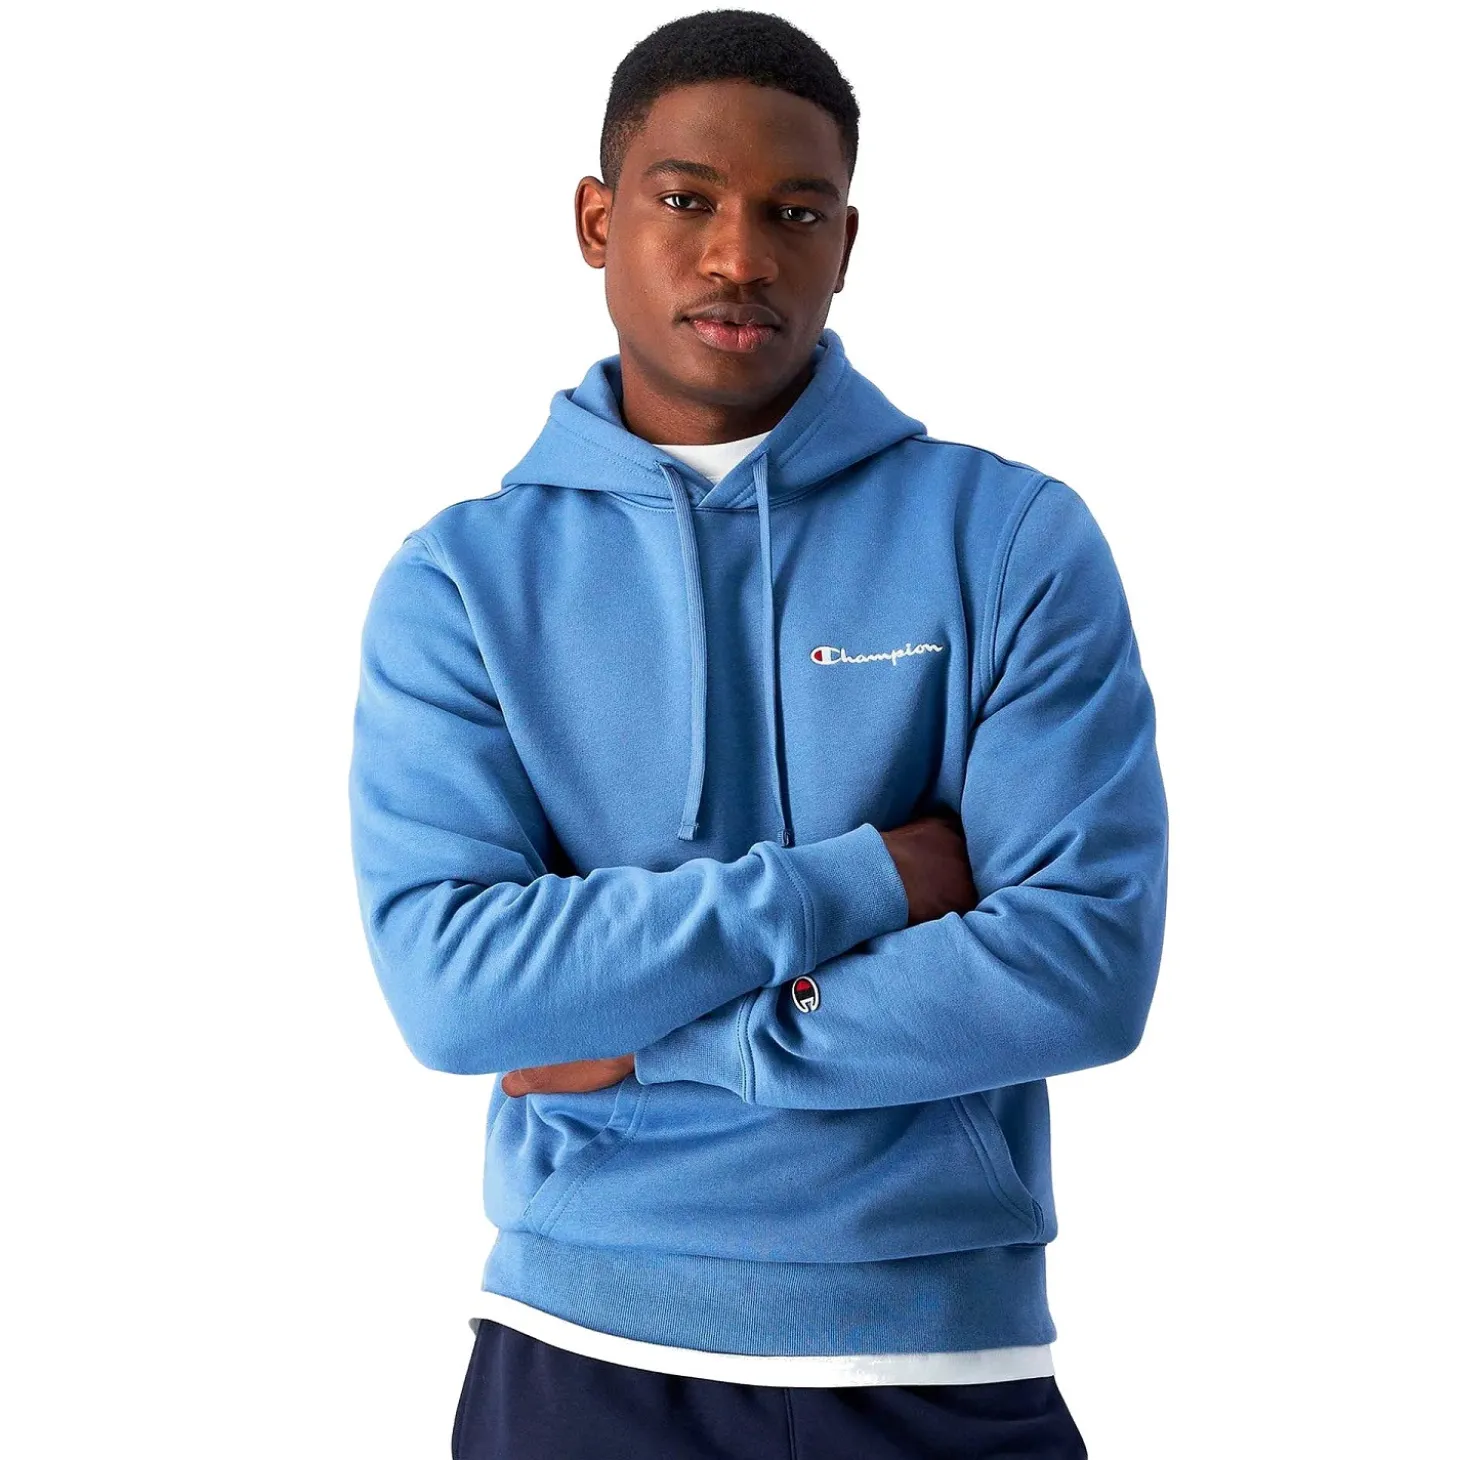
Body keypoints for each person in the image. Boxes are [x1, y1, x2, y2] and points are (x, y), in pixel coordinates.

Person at [347, 9, 1168, 1457]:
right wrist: (877, 878)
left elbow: (1080, 968)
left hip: (942, 1359)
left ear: (846, 243)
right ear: (597, 221)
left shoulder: (1010, 539)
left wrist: (647, 1049)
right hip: (577, 1361)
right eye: (686, 200)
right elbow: (461, 996)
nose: (740, 256)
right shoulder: (461, 581)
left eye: (795, 212)